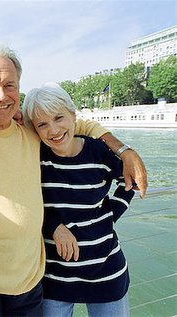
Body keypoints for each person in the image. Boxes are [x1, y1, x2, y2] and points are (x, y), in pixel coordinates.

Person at [0, 45, 147, 316]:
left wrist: (124, 151)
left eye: (10, 86)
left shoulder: (31, 133)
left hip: (32, 282)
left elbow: (73, 125)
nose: (1, 96)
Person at [23, 83, 135, 317]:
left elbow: (129, 181)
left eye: (59, 118)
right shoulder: (35, 159)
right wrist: (53, 226)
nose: (53, 130)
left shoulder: (99, 151)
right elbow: (25, 202)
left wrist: (109, 215)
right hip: (55, 280)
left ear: (73, 116)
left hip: (108, 274)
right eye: (42, 124)